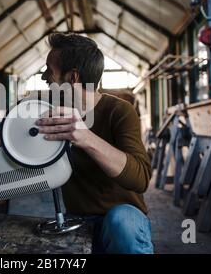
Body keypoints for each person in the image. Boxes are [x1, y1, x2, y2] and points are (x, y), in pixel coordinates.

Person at [35, 33, 153, 254]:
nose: (44, 77)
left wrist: (85, 137)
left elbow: (141, 179)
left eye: (50, 71)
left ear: (72, 77)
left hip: (121, 217)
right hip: (74, 218)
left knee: (122, 222)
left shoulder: (120, 111)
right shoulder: (49, 113)